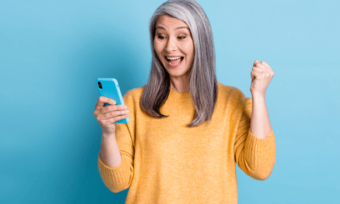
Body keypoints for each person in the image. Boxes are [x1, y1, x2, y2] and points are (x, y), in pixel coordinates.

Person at [93, 0, 276, 203]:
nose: (170, 47)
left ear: (200, 40)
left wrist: (258, 97)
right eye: (161, 36)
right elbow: (116, 183)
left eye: (181, 36)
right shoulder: (134, 102)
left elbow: (260, 169)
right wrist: (108, 133)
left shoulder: (231, 102)